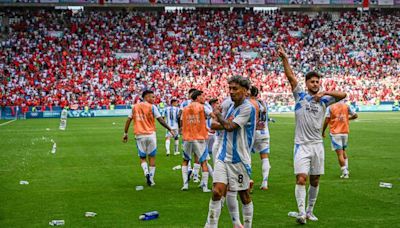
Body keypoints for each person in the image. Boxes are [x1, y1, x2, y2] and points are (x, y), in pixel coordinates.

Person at [278, 45, 346, 224]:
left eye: (317, 82)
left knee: (315, 180)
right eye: (312, 82)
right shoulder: (300, 96)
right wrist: (285, 58)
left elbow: (343, 94)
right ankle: (301, 213)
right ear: (306, 83)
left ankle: (309, 211)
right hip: (301, 145)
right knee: (301, 178)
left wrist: (326, 92)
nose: (315, 84)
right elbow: (291, 77)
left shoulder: (325, 99)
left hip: (317, 145)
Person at [205, 76, 256, 228]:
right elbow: (215, 125)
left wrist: (219, 116)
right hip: (223, 155)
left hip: (239, 158)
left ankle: (246, 225)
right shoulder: (232, 106)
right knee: (216, 192)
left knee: (244, 195)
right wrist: (223, 121)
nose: (231, 92)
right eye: (230, 88)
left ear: (245, 91)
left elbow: (229, 126)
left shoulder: (248, 108)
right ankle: (210, 225)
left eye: (235, 89)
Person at [123, 90, 176, 186]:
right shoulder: (152, 107)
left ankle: (146, 172)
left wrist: (125, 133)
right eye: (152, 97)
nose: (154, 99)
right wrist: (169, 129)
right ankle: (151, 180)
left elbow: (128, 120)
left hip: (139, 135)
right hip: (151, 135)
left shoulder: (135, 107)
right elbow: (160, 120)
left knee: (142, 157)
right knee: (152, 157)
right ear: (146, 97)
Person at [180, 90, 213, 192]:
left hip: (187, 137)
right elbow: (212, 115)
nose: (204, 98)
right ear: (198, 97)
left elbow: (181, 121)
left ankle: (185, 184)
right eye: (202, 96)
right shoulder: (203, 107)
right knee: (203, 161)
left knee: (185, 160)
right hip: (199, 138)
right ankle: (205, 187)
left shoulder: (185, 108)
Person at [322, 101, 358, 179]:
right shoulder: (346, 106)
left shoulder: (330, 107)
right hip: (345, 132)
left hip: (335, 133)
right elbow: (355, 115)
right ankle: (346, 169)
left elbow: (327, 120)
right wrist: (348, 118)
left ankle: (345, 173)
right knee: (343, 151)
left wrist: (323, 131)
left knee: (340, 154)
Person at [249, 86, 271, 190]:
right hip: (264, 132)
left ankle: (247, 180)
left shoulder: (249, 103)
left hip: (252, 132)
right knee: (264, 157)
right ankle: (265, 183)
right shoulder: (263, 103)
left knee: (246, 155)